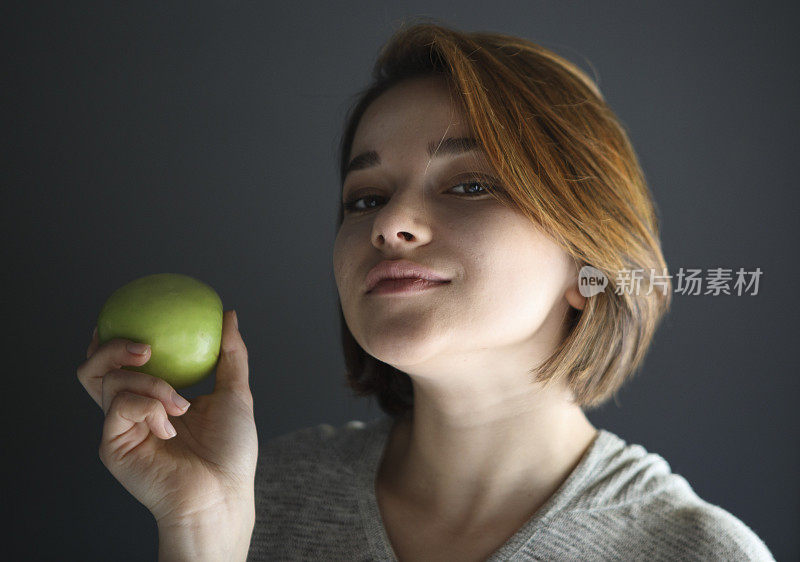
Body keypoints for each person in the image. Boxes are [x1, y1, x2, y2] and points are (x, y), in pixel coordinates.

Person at [78, 20, 776, 562]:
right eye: (365, 197)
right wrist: (202, 529)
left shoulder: (696, 550)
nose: (391, 224)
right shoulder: (262, 494)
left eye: (469, 185)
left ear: (587, 262)